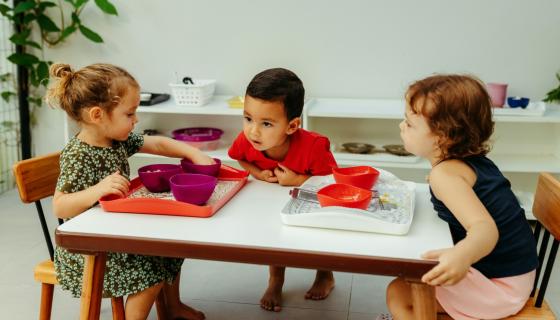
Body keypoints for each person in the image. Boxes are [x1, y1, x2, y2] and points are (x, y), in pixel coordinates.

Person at [46, 63, 211, 320]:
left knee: (171, 247)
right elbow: (60, 206)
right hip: (91, 251)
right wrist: (98, 190)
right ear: (97, 115)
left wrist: (192, 152)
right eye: (129, 114)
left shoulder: (115, 139)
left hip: (117, 233)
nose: (136, 120)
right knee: (150, 270)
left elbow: (156, 143)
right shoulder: (77, 155)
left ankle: (172, 307)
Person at [384, 74, 538, 320]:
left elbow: (485, 229)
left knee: (399, 293)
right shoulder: (470, 165)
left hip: (500, 287)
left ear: (443, 138)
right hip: (517, 274)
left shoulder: (445, 175)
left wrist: (461, 256)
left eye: (410, 123)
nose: (401, 126)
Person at [228, 68, 338, 312]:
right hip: (272, 202)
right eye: (248, 119)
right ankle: (276, 280)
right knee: (273, 237)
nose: (253, 131)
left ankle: (324, 274)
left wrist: (298, 180)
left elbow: (331, 181)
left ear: (292, 126)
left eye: (266, 123)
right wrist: (256, 173)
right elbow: (239, 158)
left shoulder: (314, 147)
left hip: (312, 202)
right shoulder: (247, 141)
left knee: (319, 238)